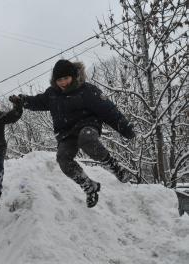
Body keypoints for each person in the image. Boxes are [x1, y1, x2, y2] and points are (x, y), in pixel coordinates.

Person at [10, 59, 135, 208]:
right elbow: (37, 102)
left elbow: (109, 110)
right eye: (59, 80)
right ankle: (89, 186)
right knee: (63, 159)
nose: (63, 83)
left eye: (66, 78)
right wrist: (22, 100)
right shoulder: (52, 94)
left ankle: (115, 168)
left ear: (73, 77)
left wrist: (126, 128)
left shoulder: (87, 90)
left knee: (87, 140)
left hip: (87, 125)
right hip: (66, 133)